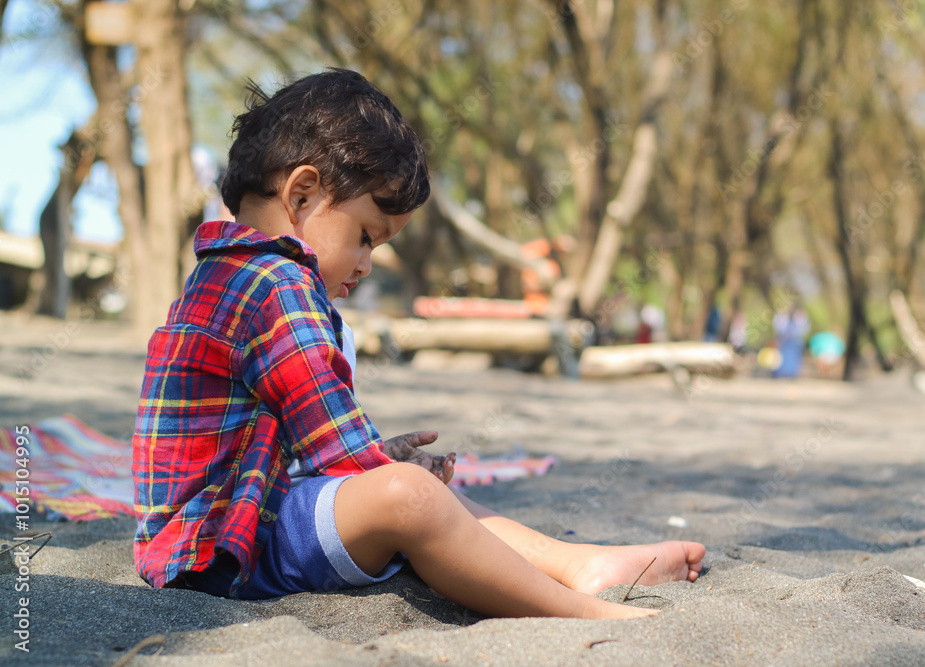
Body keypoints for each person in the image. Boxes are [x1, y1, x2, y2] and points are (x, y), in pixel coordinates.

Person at [132, 69, 704, 620]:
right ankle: (585, 611)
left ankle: (578, 565)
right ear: (302, 194)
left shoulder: (225, 274)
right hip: (228, 545)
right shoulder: (277, 285)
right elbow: (334, 444)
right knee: (409, 495)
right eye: (365, 237)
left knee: (419, 490)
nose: (365, 264)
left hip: (225, 525)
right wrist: (383, 468)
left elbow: (300, 435)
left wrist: (380, 457)